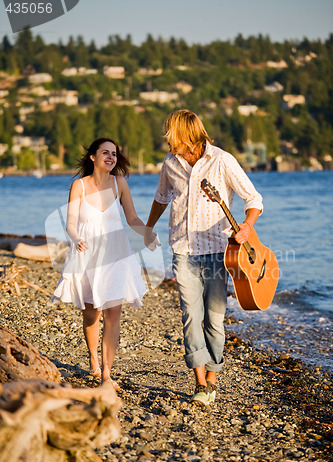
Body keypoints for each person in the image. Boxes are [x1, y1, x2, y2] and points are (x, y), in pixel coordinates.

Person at [144, 110, 263, 406]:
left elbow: (254, 199)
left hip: (219, 253)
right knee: (190, 317)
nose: (167, 142)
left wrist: (247, 226)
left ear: (186, 135)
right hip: (183, 251)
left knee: (215, 321)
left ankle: (213, 376)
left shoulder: (221, 160)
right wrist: (147, 228)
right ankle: (200, 383)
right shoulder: (170, 163)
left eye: (170, 135)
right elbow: (161, 198)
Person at [53, 137, 159, 388]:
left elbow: (132, 217)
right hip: (88, 252)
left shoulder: (119, 183)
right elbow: (70, 222)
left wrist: (147, 232)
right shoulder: (79, 186)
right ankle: (93, 361)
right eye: (105, 153)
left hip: (116, 253)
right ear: (93, 157)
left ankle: (107, 374)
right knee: (91, 313)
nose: (111, 157)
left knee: (113, 313)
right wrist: (77, 238)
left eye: (114, 153)